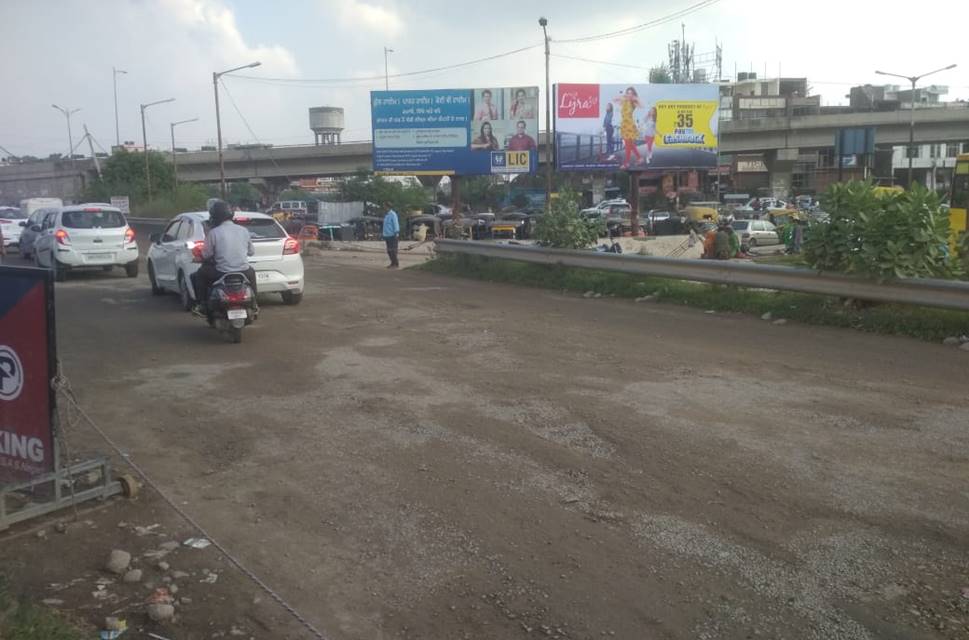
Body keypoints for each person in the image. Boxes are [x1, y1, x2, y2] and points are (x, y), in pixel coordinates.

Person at [192, 200, 256, 313]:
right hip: (244, 271)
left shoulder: (213, 233)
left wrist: (199, 257)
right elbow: (251, 252)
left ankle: (201, 305)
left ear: (215, 217)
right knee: (252, 273)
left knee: (199, 275)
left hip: (221, 272)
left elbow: (206, 254)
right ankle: (255, 304)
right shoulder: (244, 230)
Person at [613, 87, 644, 169]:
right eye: (628, 93)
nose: (629, 94)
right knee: (630, 144)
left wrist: (635, 98)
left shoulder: (633, 103)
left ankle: (626, 163)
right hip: (624, 125)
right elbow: (614, 99)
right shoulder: (624, 101)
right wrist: (624, 96)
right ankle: (639, 158)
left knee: (628, 144)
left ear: (633, 94)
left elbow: (641, 106)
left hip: (630, 125)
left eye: (631, 93)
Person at [382, 202, 400, 269]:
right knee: (389, 251)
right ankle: (392, 263)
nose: (384, 208)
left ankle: (396, 264)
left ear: (388, 207)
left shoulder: (393, 214)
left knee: (393, 250)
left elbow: (396, 224)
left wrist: (396, 233)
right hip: (387, 235)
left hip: (393, 235)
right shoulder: (386, 215)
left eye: (384, 206)